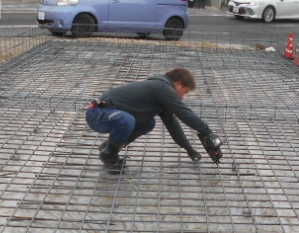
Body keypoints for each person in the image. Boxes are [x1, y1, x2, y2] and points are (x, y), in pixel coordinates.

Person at [85, 68, 218, 174]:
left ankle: (109, 147)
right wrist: (207, 132)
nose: (183, 97)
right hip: (97, 113)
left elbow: (172, 125)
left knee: (148, 123)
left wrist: (189, 149)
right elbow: (184, 112)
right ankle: (109, 156)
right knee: (127, 120)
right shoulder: (162, 87)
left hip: (108, 115)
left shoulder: (161, 92)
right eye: (185, 92)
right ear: (178, 85)